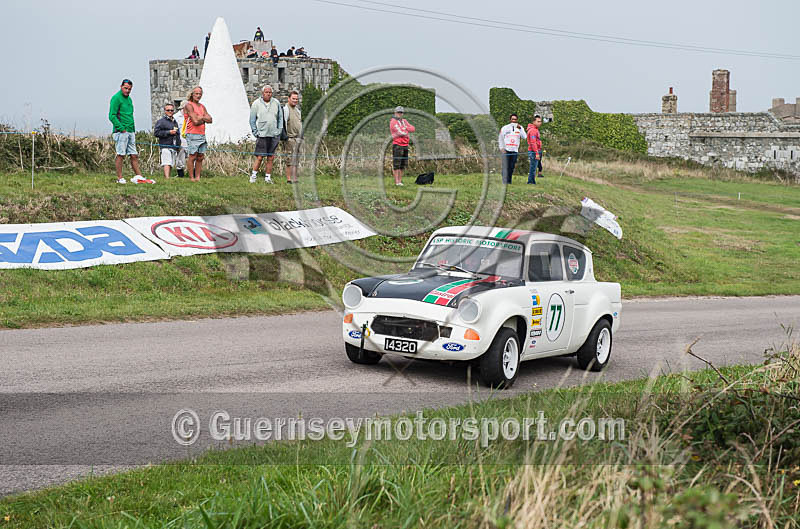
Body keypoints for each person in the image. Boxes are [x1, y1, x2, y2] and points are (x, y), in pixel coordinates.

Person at [108, 79, 150, 184]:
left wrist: (132, 129)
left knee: (134, 154)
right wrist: (121, 128)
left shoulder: (129, 99)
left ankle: (139, 176)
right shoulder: (116, 98)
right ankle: (119, 178)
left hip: (131, 130)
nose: (127, 91)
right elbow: (112, 116)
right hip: (121, 131)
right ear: (121, 87)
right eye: (125, 88)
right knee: (121, 154)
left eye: (129, 89)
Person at [249, 84, 284, 184]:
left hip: (273, 134)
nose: (268, 94)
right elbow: (252, 120)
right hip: (262, 134)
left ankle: (268, 177)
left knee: (271, 157)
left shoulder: (276, 103)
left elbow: (280, 118)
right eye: (266, 92)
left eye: (270, 92)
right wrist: (255, 132)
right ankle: (253, 176)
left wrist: (279, 130)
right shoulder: (256, 103)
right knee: (259, 157)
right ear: (262, 93)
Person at [184, 86, 212, 182]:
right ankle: (191, 177)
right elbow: (195, 121)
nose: (198, 95)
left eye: (200, 94)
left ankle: (198, 177)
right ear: (192, 94)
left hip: (201, 134)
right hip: (192, 133)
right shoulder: (189, 105)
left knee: (200, 156)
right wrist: (204, 118)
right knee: (192, 156)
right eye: (196, 93)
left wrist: (201, 117)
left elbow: (210, 119)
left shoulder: (202, 106)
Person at [153, 103, 183, 179]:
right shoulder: (161, 121)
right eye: (168, 110)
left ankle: (168, 177)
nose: (170, 111)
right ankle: (167, 178)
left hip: (174, 146)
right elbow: (156, 133)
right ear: (165, 111)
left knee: (171, 163)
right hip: (165, 145)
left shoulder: (175, 122)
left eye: (172, 110)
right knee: (167, 161)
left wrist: (178, 145)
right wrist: (168, 132)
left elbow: (178, 134)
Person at [389, 106, 415, 186]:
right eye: (398, 112)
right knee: (397, 164)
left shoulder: (404, 121)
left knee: (403, 164)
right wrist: (406, 129)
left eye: (401, 112)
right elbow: (401, 133)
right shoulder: (393, 121)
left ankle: (400, 181)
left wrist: (405, 127)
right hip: (397, 145)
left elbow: (413, 129)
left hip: (405, 144)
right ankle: (397, 182)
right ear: (395, 113)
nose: (400, 114)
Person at [498, 113, 525, 184]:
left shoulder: (520, 128)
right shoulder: (505, 128)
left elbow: (524, 137)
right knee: (505, 166)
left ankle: (509, 181)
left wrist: (521, 129)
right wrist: (501, 148)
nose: (514, 121)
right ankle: (504, 181)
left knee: (511, 167)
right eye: (512, 119)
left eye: (515, 119)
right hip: (506, 150)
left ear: (517, 120)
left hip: (515, 150)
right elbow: (500, 138)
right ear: (510, 120)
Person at [283, 91, 302, 183]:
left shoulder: (298, 111)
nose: (295, 100)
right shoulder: (286, 109)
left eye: (296, 99)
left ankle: (295, 178)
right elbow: (283, 123)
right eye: (293, 98)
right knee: (289, 159)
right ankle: (289, 179)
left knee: (296, 159)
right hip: (289, 138)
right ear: (289, 99)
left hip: (297, 138)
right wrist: (285, 137)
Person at [526, 115, 543, 184]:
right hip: (533, 151)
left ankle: (531, 181)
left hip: (536, 150)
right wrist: (536, 153)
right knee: (533, 167)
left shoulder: (535, 129)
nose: (540, 123)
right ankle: (530, 181)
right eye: (538, 121)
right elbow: (533, 143)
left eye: (540, 121)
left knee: (534, 167)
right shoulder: (533, 130)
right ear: (533, 122)